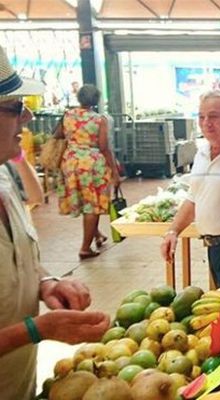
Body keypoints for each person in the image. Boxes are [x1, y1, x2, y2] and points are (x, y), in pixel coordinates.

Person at [0, 45, 110, 400]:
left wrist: (44, 282)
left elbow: (16, 256)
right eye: (16, 107)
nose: (28, 117)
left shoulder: (4, 179)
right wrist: (36, 329)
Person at [161, 90, 220, 288]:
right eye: (201, 117)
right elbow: (193, 199)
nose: (206, 122)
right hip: (214, 247)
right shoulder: (202, 152)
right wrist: (173, 231)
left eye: (214, 117)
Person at [55, 84, 120, 260]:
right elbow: (104, 147)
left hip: (70, 161)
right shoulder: (99, 120)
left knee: (84, 200)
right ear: (96, 100)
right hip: (92, 165)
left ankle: (97, 234)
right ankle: (85, 248)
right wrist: (114, 171)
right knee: (93, 205)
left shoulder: (67, 115)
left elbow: (59, 135)